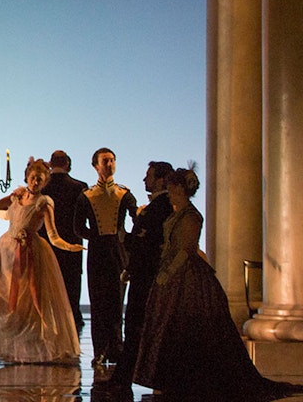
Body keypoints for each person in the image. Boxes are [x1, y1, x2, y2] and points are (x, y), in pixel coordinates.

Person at [134, 167, 303, 401]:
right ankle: (175, 380)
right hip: (172, 275)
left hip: (187, 278)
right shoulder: (177, 213)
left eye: (173, 188)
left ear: (182, 189)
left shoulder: (192, 216)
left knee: (187, 327)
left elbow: (186, 250)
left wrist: (167, 274)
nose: (170, 193)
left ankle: (190, 380)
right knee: (173, 329)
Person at [0, 158, 83, 363]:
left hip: (31, 252)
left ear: (45, 181)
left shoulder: (44, 203)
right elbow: (4, 210)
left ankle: (33, 347)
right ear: (27, 178)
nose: (35, 182)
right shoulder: (18, 197)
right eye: (32, 178)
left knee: (30, 299)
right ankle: (5, 344)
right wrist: (9, 197)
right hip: (6, 252)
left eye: (40, 179)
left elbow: (54, 235)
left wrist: (70, 246)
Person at [105, 160, 173, 388]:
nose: (145, 179)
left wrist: (127, 238)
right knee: (135, 326)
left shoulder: (161, 206)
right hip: (142, 273)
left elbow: (150, 242)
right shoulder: (159, 205)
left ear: (162, 179)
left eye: (149, 175)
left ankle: (123, 379)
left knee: (135, 326)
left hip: (147, 275)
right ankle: (124, 377)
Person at [74, 147, 137, 366]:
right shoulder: (87, 196)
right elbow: (78, 227)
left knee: (117, 301)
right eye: (105, 161)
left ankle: (117, 348)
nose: (109, 165)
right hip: (98, 253)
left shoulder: (124, 193)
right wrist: (96, 237)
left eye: (112, 160)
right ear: (96, 166)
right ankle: (100, 350)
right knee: (98, 301)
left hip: (118, 252)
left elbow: (137, 219)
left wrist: (126, 238)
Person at [41, 150, 88, 333]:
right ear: (68, 164)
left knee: (47, 284)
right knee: (72, 284)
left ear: (51, 164)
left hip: (46, 243)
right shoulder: (80, 186)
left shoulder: (43, 187)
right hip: (71, 242)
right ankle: (73, 319)